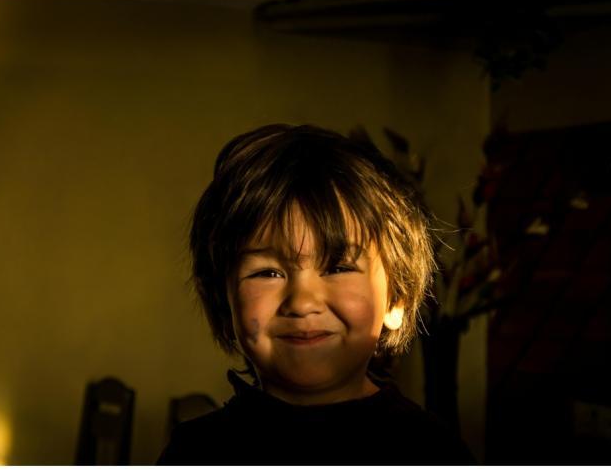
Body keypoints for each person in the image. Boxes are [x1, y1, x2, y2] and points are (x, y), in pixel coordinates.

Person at [157, 124, 475, 465]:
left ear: (396, 297)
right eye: (267, 273)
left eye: (338, 268)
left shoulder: (431, 452)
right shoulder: (195, 452)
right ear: (223, 302)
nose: (303, 302)